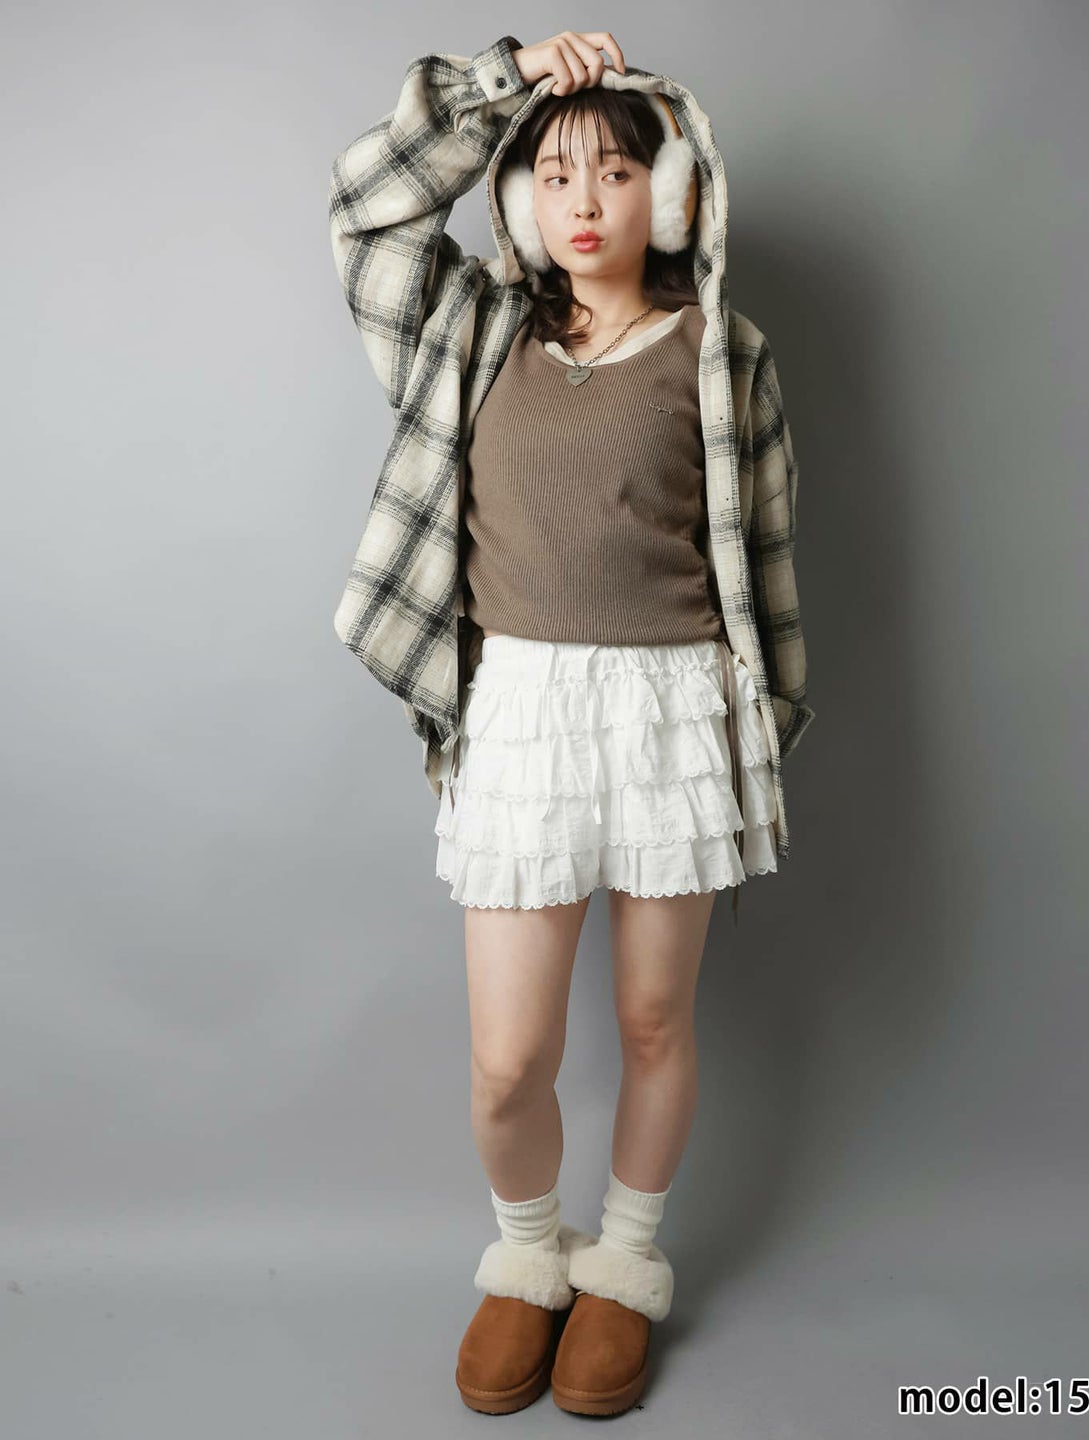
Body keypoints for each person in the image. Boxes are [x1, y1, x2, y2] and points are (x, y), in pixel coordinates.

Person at [328, 29, 815, 1418]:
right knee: (508, 1063)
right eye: (553, 173)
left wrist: (760, 729)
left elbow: (765, 566)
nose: (584, 198)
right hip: (523, 710)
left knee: (656, 1020)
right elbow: (365, 209)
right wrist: (503, 81)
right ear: (519, 197)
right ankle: (531, 1259)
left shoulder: (726, 356)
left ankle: (626, 1265)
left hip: (673, 710)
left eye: (615, 169)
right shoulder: (470, 325)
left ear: (674, 193)